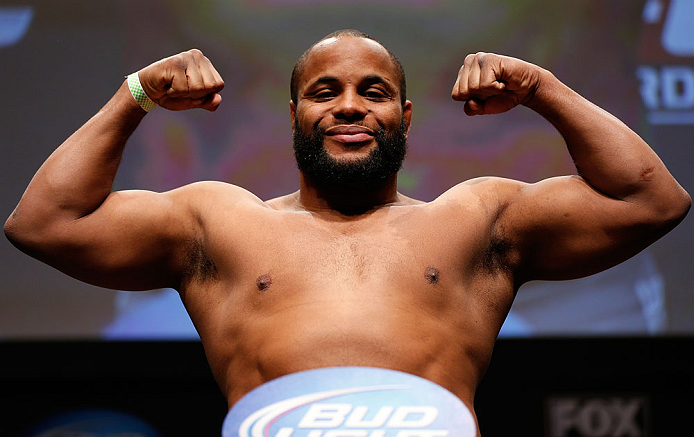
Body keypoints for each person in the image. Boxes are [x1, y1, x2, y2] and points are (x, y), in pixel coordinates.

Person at [4, 29, 690, 433]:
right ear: (294, 114)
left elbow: (649, 198)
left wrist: (542, 87)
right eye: (325, 92)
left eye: (374, 90)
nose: (350, 106)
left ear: (406, 115)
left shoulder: (472, 219)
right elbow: (44, 221)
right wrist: (138, 96)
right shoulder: (220, 221)